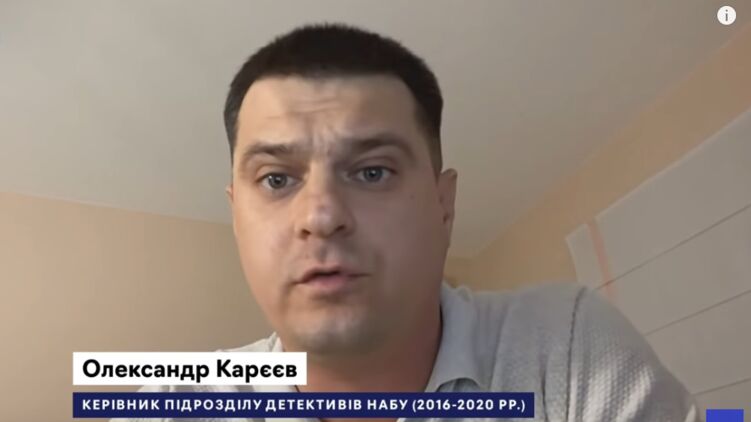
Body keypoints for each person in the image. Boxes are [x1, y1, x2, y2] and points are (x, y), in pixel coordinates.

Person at [125, 23, 698, 421]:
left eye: (372, 172)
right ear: (236, 216)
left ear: (443, 206)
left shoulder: (567, 348)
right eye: (276, 179)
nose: (321, 216)